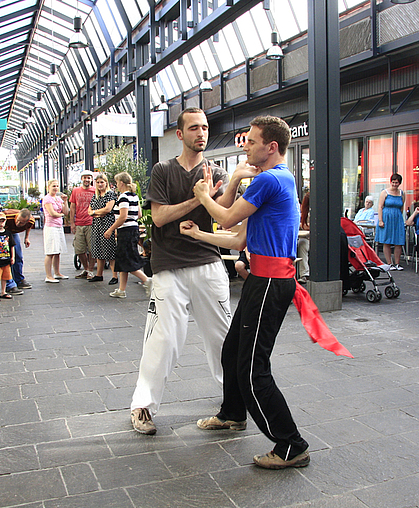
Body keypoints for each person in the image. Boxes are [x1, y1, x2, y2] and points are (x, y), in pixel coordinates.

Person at [188, 115, 313, 470]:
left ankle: (291, 444)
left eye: (252, 141)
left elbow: (225, 219)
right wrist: (197, 235)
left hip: (270, 283)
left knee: (252, 369)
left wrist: (201, 196)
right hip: (263, 279)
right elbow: (239, 238)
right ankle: (232, 413)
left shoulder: (270, 180)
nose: (246, 147)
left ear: (271, 147)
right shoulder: (277, 180)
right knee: (232, 352)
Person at [129, 107, 234, 436]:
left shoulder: (217, 172)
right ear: (180, 134)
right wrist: (198, 199)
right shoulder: (163, 171)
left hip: (208, 263)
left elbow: (229, 214)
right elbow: (159, 218)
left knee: (223, 338)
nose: (201, 133)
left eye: (204, 127)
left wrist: (225, 192)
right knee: (162, 339)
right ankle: (143, 406)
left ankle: (234, 404)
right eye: (193, 128)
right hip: (169, 266)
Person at [103, 172, 150, 298]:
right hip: (133, 229)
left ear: (121, 183)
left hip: (126, 231)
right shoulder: (134, 196)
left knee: (127, 260)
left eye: (117, 182)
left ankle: (147, 281)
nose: (116, 185)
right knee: (123, 260)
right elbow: (139, 214)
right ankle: (121, 290)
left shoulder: (123, 197)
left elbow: (123, 217)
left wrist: (111, 229)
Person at [87, 173, 118, 284]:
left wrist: (96, 212)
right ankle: (99, 274)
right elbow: (89, 211)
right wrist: (97, 213)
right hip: (96, 225)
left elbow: (108, 209)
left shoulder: (110, 194)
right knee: (98, 249)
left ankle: (115, 276)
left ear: (106, 183)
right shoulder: (95, 196)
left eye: (102, 182)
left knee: (109, 250)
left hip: (107, 225)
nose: (100, 184)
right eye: (98, 182)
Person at [2, 207, 36, 294]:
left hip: (13, 233)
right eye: (18, 220)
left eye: (21, 223)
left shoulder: (31, 221)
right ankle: (9, 285)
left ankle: (19, 279)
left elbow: (29, 226)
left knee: (18, 256)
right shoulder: (7, 216)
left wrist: (26, 238)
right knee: (6, 258)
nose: (18, 223)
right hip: (4, 232)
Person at [42, 179, 70, 283]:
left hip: (59, 226)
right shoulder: (47, 199)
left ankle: (57, 273)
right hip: (51, 227)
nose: (55, 188)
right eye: (53, 186)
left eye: (57, 186)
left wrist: (65, 201)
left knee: (57, 251)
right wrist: (61, 215)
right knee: (50, 251)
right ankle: (48, 275)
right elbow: (52, 213)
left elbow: (66, 211)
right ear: (48, 187)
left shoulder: (58, 199)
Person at [376, 174, 406, 270]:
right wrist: (380, 220)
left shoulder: (402, 193)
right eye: (393, 182)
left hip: (397, 217)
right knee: (387, 240)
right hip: (386, 217)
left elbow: (402, 207)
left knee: (398, 241)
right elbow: (380, 206)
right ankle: (389, 263)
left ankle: (397, 263)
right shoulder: (385, 192)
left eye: (396, 182)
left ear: (399, 183)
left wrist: (401, 218)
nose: (394, 184)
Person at [70, 172, 96, 279]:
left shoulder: (95, 190)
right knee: (79, 249)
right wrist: (72, 222)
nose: (87, 179)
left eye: (89, 178)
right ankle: (85, 269)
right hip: (79, 223)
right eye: (85, 177)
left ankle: (90, 270)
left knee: (92, 249)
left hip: (91, 223)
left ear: (91, 179)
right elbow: (72, 207)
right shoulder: (76, 191)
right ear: (81, 179)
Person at [297, 191, 310, 284]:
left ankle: (304, 273)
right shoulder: (303, 212)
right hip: (305, 236)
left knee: (302, 244)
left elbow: (307, 226)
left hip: (309, 238)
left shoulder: (309, 213)